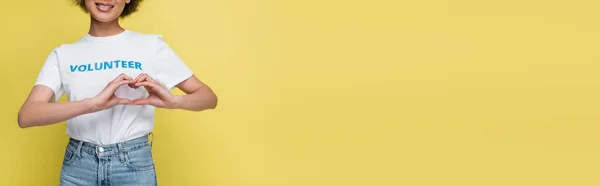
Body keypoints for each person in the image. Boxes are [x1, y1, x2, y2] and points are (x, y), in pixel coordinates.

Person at [17, 0, 218, 185]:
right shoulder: (64, 54)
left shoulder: (151, 45)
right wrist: (92, 104)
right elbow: (27, 116)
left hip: (133, 164)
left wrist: (173, 101)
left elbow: (208, 98)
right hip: (78, 167)